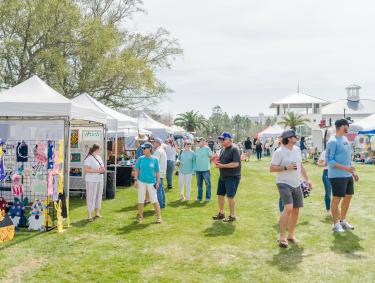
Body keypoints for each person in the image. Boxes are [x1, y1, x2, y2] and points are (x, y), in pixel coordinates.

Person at [270, 129, 312, 248]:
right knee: (288, 208)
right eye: (294, 136)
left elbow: (301, 165)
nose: (296, 138)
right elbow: (272, 168)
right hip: (283, 183)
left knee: (296, 210)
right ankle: (282, 237)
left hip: (296, 183)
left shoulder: (297, 150)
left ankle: (291, 235)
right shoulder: (279, 152)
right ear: (289, 138)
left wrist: (307, 179)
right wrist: (285, 167)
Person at [326, 119, 359, 233]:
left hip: (347, 174)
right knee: (337, 199)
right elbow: (329, 161)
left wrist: (353, 172)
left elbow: (347, 158)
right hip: (336, 176)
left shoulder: (345, 139)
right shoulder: (332, 141)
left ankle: (343, 221)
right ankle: (335, 225)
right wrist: (346, 168)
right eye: (347, 125)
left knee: (348, 197)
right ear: (342, 126)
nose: (348, 127)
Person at [212, 132, 241, 222]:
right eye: (220, 139)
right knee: (220, 195)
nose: (221, 141)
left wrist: (222, 166)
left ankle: (232, 216)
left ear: (229, 139)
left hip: (232, 176)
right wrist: (217, 162)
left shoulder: (234, 149)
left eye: (223, 139)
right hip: (223, 176)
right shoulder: (223, 149)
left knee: (230, 197)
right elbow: (222, 161)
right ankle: (221, 213)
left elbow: (236, 163)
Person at [134, 142, 162, 224]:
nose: (142, 150)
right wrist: (135, 180)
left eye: (144, 148)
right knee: (140, 199)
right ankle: (140, 216)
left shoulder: (155, 159)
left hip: (151, 182)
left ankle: (159, 217)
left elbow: (157, 172)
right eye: (142, 148)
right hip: (141, 181)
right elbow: (137, 170)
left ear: (149, 149)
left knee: (154, 199)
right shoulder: (140, 159)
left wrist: (158, 181)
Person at [84, 144, 105, 222]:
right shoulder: (89, 158)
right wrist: (97, 171)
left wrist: (103, 169)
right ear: (96, 149)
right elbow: (86, 170)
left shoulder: (99, 157)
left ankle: (97, 212)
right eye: (100, 149)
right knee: (91, 197)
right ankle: (89, 215)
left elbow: (102, 166)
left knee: (98, 196)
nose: (100, 151)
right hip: (91, 180)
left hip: (99, 179)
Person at [195, 137, 213, 202]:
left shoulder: (207, 148)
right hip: (198, 170)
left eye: (199, 141)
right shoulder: (196, 149)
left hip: (205, 170)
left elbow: (211, 156)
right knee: (199, 185)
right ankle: (199, 198)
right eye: (197, 141)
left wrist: (208, 163)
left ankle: (208, 197)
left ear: (203, 141)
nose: (198, 142)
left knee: (208, 184)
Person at [152, 138, 167, 209]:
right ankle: (162, 204)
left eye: (154, 142)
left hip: (158, 173)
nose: (153, 143)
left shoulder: (158, 151)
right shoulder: (162, 150)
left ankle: (160, 206)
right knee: (161, 189)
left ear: (158, 143)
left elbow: (154, 163)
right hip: (162, 172)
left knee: (158, 190)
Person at [318, 149, 332, 217]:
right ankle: (328, 210)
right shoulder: (325, 152)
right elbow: (319, 163)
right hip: (326, 173)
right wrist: (323, 164)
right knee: (328, 192)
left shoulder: (338, 151)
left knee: (337, 193)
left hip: (336, 173)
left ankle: (335, 208)